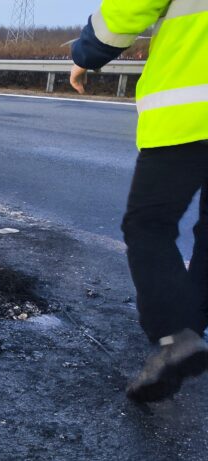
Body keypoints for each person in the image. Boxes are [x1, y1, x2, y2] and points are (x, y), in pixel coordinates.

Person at [70, 1, 208, 402]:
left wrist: (86, 55)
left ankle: (177, 336)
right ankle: (190, 332)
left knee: (148, 225)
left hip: (191, 109)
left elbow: (131, 6)